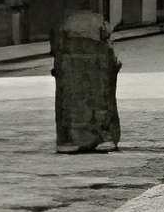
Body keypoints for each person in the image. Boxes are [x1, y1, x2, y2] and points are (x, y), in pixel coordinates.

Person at [51, 9, 121, 152]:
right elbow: (110, 57)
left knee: (70, 103)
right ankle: (103, 136)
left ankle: (70, 139)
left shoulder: (66, 29)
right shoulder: (99, 31)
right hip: (96, 74)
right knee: (101, 102)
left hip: (72, 74)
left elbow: (57, 53)